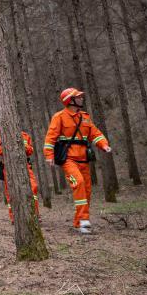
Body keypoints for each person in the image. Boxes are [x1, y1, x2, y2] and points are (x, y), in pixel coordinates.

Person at [43, 87, 111, 234]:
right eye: (78, 97)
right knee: (78, 183)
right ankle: (83, 221)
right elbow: (50, 138)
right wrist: (49, 156)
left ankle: (78, 221)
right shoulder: (59, 117)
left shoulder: (85, 117)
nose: (81, 98)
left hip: (84, 159)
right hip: (68, 159)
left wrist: (104, 145)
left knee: (87, 190)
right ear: (70, 100)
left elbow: (95, 134)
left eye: (80, 96)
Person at [0, 130, 39, 223]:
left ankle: (34, 214)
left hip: (25, 165)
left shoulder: (25, 135)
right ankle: (14, 217)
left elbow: (31, 150)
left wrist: (24, 148)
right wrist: (8, 149)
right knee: (10, 191)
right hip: (8, 166)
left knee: (33, 188)